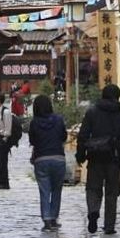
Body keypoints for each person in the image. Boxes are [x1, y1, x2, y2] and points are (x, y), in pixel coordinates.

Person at [75, 83, 120, 235]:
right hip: (113, 157)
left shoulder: (92, 112)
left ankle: (93, 211)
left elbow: (83, 135)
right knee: (112, 192)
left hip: (95, 155)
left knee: (93, 187)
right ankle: (109, 225)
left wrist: (80, 154)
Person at [29, 94, 67, 231]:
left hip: (41, 159)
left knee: (44, 191)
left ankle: (46, 219)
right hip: (58, 158)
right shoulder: (58, 120)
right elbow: (64, 136)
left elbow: (32, 140)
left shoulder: (34, 122)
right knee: (57, 190)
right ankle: (53, 217)